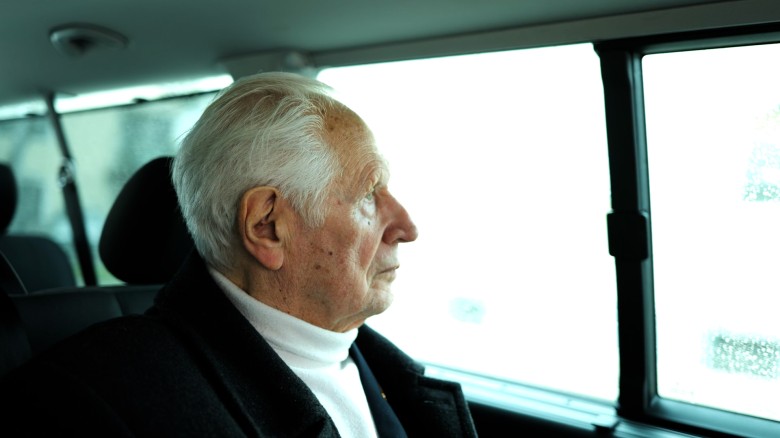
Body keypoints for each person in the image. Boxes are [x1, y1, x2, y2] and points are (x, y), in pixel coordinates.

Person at [0, 72, 477, 437]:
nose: (407, 228)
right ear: (266, 226)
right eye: (369, 194)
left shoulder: (381, 368)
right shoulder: (87, 403)